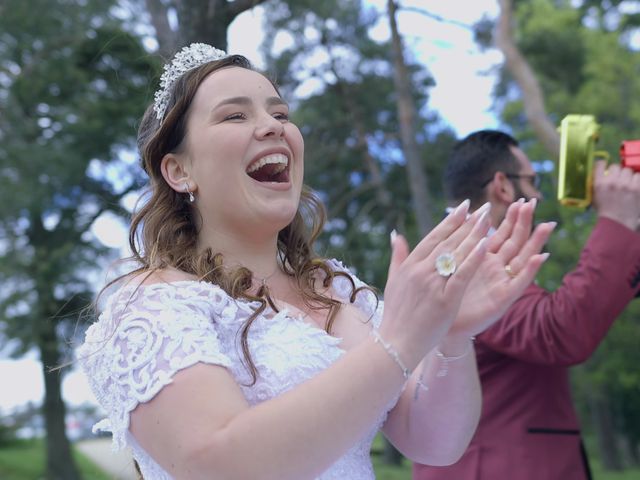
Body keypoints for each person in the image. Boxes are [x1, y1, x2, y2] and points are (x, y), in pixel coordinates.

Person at [78, 45, 552, 480]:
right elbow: (219, 465)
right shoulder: (150, 306)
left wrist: (451, 336)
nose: (272, 126)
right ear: (179, 170)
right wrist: (400, 342)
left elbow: (435, 443)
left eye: (279, 112)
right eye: (234, 116)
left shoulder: (338, 291)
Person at [413, 130, 640, 480]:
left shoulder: (468, 251)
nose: (538, 194)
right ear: (503, 186)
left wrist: (626, 225)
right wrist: (615, 220)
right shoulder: (460, 258)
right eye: (532, 182)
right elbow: (557, 331)